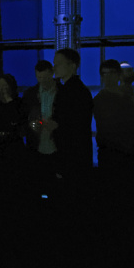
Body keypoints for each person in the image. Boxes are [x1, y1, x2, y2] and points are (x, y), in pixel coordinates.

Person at [93, 59, 134, 178]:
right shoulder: (124, 98)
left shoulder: (100, 99)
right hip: (120, 152)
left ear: (118, 75)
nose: (107, 77)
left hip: (116, 152)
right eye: (104, 74)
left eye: (110, 73)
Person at [51, 48, 94, 187]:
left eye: (58, 63)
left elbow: (75, 127)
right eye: (54, 63)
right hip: (77, 155)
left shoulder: (70, 92)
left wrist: (56, 125)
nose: (54, 67)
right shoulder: (78, 90)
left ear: (72, 65)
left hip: (71, 155)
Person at [20, 60, 58, 199]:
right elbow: (23, 118)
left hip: (54, 145)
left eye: (44, 77)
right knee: (40, 182)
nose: (41, 81)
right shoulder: (31, 94)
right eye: (39, 77)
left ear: (51, 74)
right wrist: (31, 125)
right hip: (38, 145)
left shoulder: (61, 92)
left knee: (52, 184)